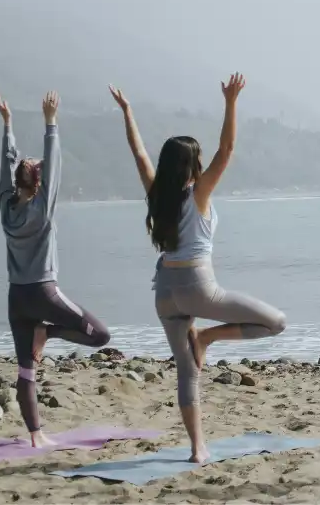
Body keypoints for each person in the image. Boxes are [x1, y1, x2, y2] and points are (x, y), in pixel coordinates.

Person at [110, 74, 286, 464]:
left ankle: (197, 449)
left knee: (186, 373)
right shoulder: (198, 193)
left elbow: (138, 154)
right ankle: (206, 336)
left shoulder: (157, 193)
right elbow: (227, 149)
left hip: (164, 292)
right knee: (276, 323)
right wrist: (231, 102)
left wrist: (127, 112)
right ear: (193, 164)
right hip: (197, 286)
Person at [0, 91, 112, 448]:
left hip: (17, 297)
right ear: (39, 183)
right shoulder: (43, 208)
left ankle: (36, 436)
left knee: (25, 370)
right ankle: (48, 334)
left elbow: (6, 166)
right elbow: (55, 162)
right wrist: (51, 122)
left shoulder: (6, 206)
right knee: (100, 336)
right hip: (44, 293)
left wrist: (8, 127)